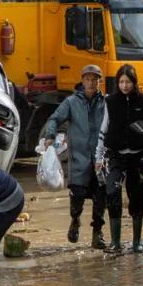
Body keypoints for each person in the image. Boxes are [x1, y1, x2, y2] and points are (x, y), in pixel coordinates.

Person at [43, 65, 108, 248]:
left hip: (100, 159)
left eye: (95, 79)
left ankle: (98, 233)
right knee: (77, 195)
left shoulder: (105, 103)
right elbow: (54, 119)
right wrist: (50, 136)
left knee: (100, 195)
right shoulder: (71, 102)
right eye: (88, 79)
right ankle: (75, 220)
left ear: (99, 82)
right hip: (78, 158)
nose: (92, 82)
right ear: (82, 81)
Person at [94, 64, 143, 254]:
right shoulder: (110, 101)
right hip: (115, 155)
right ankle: (115, 242)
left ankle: (137, 242)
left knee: (137, 197)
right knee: (112, 192)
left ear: (134, 83)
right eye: (121, 82)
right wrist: (98, 156)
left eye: (128, 82)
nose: (124, 86)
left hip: (137, 157)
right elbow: (104, 129)